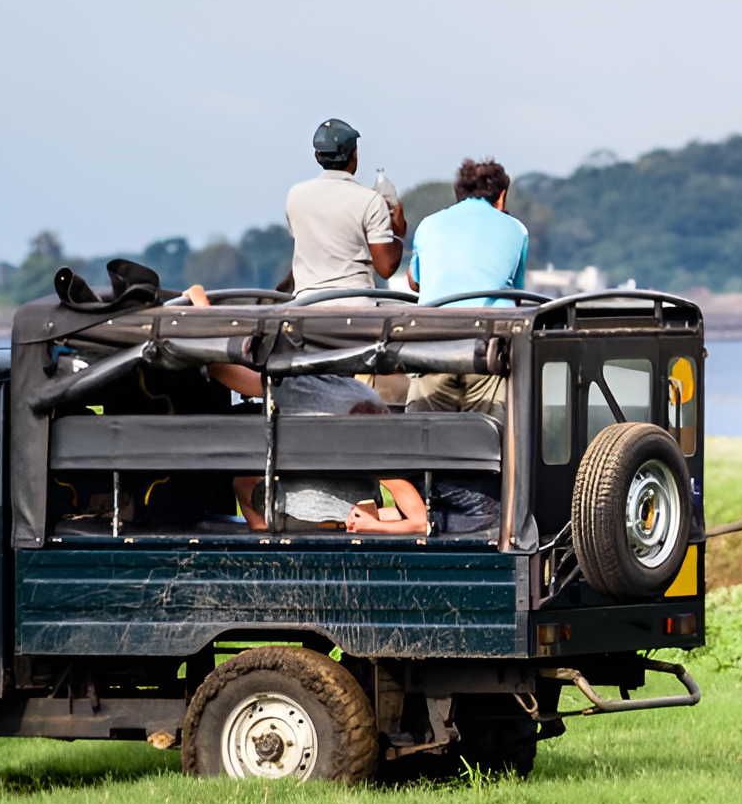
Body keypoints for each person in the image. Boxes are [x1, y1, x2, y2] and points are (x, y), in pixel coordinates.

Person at [183, 285, 425, 535]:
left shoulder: (290, 386)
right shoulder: (368, 397)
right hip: (359, 515)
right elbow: (401, 490)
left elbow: (219, 367)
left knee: (243, 481)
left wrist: (201, 305)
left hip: (299, 517)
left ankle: (264, 533)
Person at [404, 158, 528, 418]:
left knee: (422, 438)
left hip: (432, 345)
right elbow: (516, 295)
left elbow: (415, 281)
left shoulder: (428, 224)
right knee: (489, 438)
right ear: (502, 196)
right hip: (487, 348)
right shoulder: (516, 229)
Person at [284, 118, 407, 296]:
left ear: (317, 156)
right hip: (355, 302)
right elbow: (386, 267)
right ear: (354, 153)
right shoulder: (370, 200)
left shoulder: (295, 195)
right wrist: (398, 232)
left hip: (306, 301)